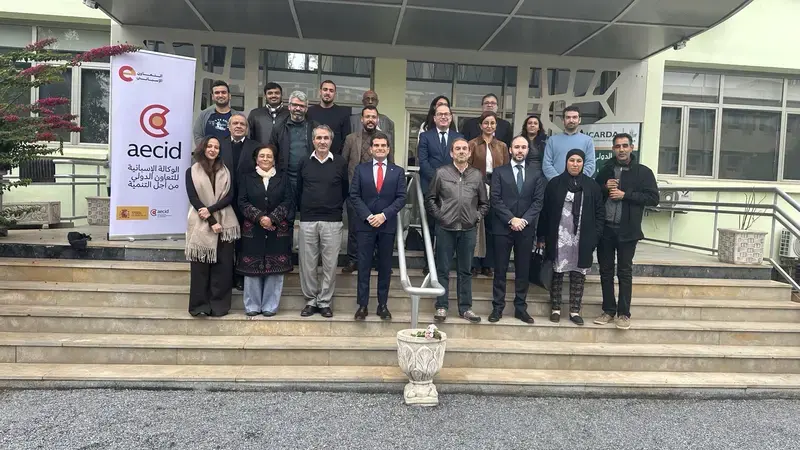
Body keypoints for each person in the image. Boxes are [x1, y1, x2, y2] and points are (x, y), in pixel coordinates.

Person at [594, 133, 659, 330]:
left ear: (632, 147)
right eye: (617, 146)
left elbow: (653, 198)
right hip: (605, 229)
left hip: (628, 230)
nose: (621, 149)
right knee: (605, 272)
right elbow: (594, 194)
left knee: (624, 271)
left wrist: (625, 195)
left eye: (625, 146)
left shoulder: (643, 172)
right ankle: (608, 310)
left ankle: (623, 314)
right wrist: (605, 188)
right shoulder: (605, 170)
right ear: (612, 149)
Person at [424, 137, 489, 323]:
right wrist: (441, 216)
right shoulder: (441, 173)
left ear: (469, 153)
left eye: (465, 149)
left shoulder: (477, 175)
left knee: (465, 270)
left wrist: (476, 217)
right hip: (445, 228)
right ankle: (442, 307)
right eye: (457, 149)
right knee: (443, 269)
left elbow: (484, 203)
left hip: (468, 229)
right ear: (451, 153)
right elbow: (430, 199)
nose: (461, 151)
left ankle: (465, 308)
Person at [538, 149, 604, 326]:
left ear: (583, 164)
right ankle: (556, 309)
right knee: (557, 272)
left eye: (579, 161)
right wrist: (542, 236)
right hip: (559, 235)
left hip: (582, 236)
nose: (575, 164)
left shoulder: (592, 186)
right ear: (566, 162)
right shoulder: (555, 184)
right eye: (572, 160)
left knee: (578, 273)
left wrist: (595, 237)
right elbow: (545, 212)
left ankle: (575, 310)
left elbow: (599, 213)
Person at [350, 132, 407, 321]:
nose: (380, 148)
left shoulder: (397, 171)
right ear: (371, 149)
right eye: (377, 145)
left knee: (384, 266)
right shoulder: (361, 169)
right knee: (364, 266)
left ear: (388, 149)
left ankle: (383, 304)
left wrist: (384, 215)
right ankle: (362, 305)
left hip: (386, 225)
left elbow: (401, 198)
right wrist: (368, 216)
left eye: (384, 145)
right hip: (365, 225)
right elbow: (354, 195)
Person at [489, 136, 545, 324]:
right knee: (500, 269)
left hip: (525, 229)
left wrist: (524, 221)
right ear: (510, 150)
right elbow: (495, 199)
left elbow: (538, 202)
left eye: (524, 147)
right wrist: (511, 219)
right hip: (503, 227)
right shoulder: (499, 172)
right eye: (517, 147)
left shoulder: (536, 174)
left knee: (523, 270)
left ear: (528, 150)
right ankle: (497, 308)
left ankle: (520, 308)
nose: (520, 150)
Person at [296, 125, 349, 318]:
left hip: (332, 221)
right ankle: (310, 301)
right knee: (307, 264)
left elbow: (345, 190)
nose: (322, 142)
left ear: (331, 141)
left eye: (326, 138)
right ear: (313, 140)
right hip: (308, 220)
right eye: (319, 138)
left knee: (329, 265)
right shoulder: (304, 162)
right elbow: (298, 189)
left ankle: (325, 301)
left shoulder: (340, 163)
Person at [236, 144, 295, 317]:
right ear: (256, 158)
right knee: (251, 270)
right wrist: (260, 217)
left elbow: (288, 201)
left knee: (275, 270)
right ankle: (252, 305)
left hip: (277, 231)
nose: (265, 159)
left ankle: (270, 305)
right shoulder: (247, 178)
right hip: (253, 230)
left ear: (274, 159)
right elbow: (242, 201)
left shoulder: (283, 178)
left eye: (269, 156)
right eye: (262, 156)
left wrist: (273, 218)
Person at [185, 136, 240, 317]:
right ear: (203, 148)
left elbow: (229, 196)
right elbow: (193, 198)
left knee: (223, 268)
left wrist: (211, 211)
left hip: (226, 221)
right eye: (210, 146)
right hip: (200, 221)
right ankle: (199, 306)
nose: (213, 149)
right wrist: (211, 220)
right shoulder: (191, 171)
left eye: (216, 147)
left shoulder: (226, 171)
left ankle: (219, 306)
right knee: (200, 268)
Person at [342, 106, 395, 273]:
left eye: (373, 117)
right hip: (356, 192)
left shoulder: (384, 140)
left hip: (379, 192)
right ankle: (353, 260)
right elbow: (344, 163)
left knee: (381, 227)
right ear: (362, 120)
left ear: (377, 120)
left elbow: (391, 165)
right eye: (367, 117)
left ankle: (379, 261)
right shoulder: (351, 139)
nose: (370, 119)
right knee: (354, 228)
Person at [418, 103, 463, 274]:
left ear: (451, 118)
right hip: (430, 188)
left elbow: (460, 161)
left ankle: (443, 263)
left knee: (448, 227)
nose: (444, 117)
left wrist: (448, 182)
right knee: (429, 227)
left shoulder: (458, 137)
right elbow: (423, 163)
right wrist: (440, 180)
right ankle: (428, 263)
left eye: (447, 114)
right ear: (434, 118)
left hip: (453, 191)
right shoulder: (425, 137)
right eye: (440, 114)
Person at [219, 112, 261, 291]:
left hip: (247, 202)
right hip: (223, 201)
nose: (238, 126)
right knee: (226, 241)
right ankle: (225, 276)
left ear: (247, 128)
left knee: (244, 241)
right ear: (229, 127)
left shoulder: (255, 147)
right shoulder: (219, 145)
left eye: (242, 124)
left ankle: (241, 276)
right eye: (235, 123)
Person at [467, 111, 509, 278]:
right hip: (478, 185)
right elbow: (468, 168)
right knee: (476, 225)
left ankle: (488, 264)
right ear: (480, 125)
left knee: (493, 226)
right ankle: (474, 263)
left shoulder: (503, 146)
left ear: (496, 125)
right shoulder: (472, 144)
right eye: (486, 123)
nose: (489, 126)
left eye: (492, 123)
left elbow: (506, 169)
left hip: (496, 186)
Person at [268, 90, 319, 190]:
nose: (298, 108)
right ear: (289, 106)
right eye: (295, 105)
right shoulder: (279, 127)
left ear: (306, 109)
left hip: (309, 178)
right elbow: (272, 151)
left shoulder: (315, 127)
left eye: (302, 106)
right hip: (285, 178)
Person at [543, 105, 596, 180]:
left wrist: (576, 180)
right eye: (568, 117)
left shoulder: (588, 141)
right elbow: (547, 164)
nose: (571, 120)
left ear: (579, 120)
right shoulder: (552, 140)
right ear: (563, 120)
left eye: (574, 117)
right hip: (556, 186)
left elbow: (590, 165)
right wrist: (558, 181)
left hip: (579, 186)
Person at [307, 80, 351, 155]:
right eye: (325, 89)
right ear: (320, 92)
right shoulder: (310, 112)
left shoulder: (343, 113)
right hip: (313, 158)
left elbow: (346, 140)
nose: (328, 93)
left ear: (335, 94)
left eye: (331, 90)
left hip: (336, 159)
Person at [193, 80, 234, 145]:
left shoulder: (238, 116)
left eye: (223, 92)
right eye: (217, 93)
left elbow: (244, 138)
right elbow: (198, 136)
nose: (220, 95)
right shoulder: (204, 115)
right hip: (209, 154)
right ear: (212, 96)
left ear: (229, 96)